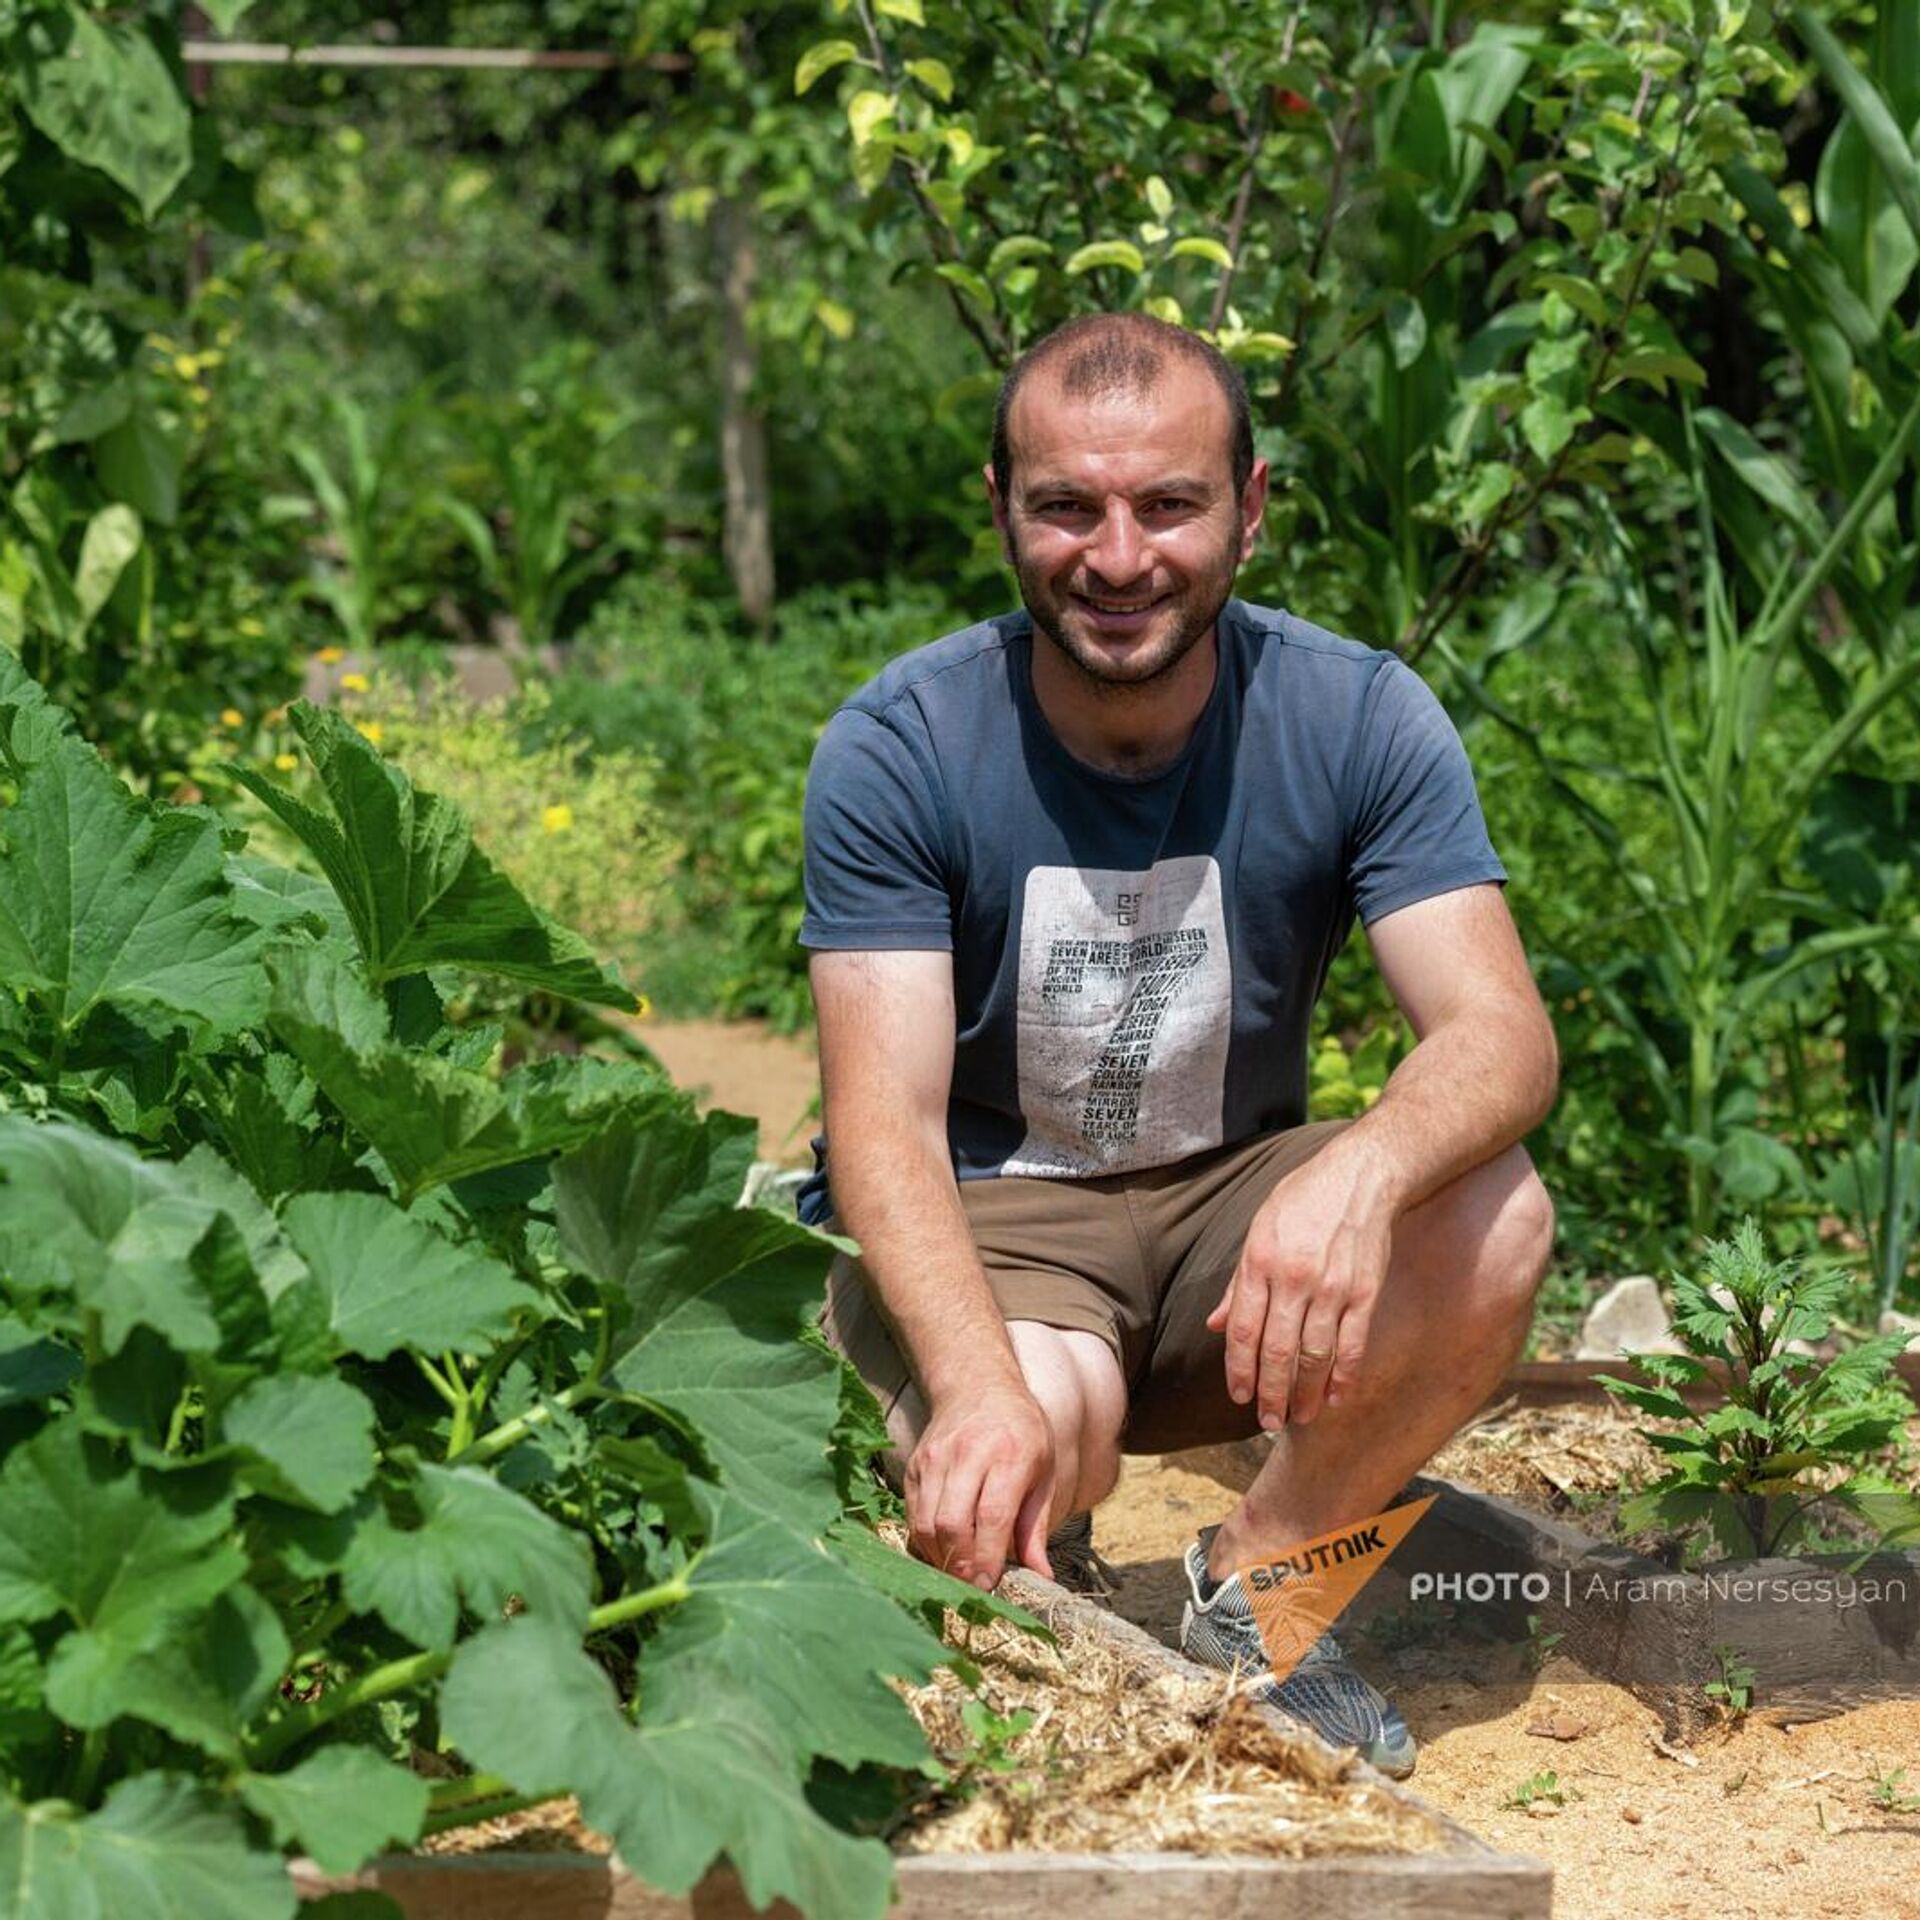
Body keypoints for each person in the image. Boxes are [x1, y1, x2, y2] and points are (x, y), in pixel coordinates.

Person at [797, 311, 1557, 1778]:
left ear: (1251, 509)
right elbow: (882, 1120)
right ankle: (983, 1456)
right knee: (1048, 1433)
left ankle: (1259, 1588)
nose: (1121, 555)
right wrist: (978, 1391)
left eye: (1170, 504)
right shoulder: (901, 745)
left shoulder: (1357, 715)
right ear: (1002, 510)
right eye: (1068, 506)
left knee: (1495, 1209)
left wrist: (1363, 1174)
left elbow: (1501, 1032)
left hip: (1233, 1216)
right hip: (998, 1210)